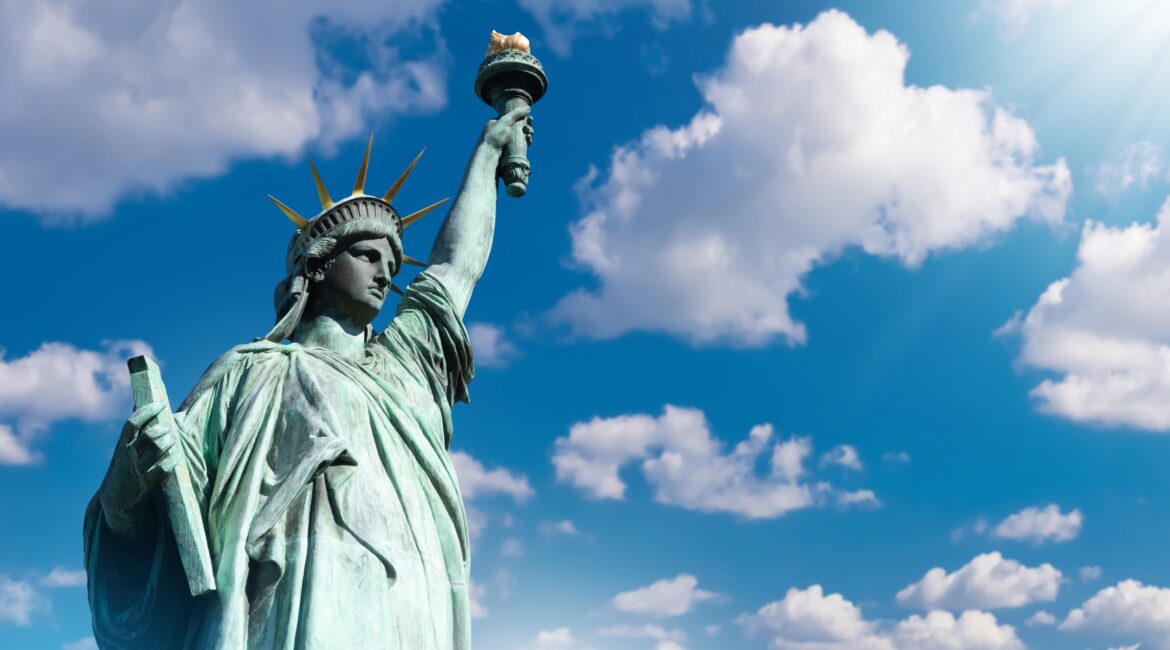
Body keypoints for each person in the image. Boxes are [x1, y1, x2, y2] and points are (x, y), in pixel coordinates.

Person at [84, 106, 534, 649]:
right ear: (317, 266)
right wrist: (129, 478)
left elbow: (454, 269)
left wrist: (487, 154)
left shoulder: (405, 368)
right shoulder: (248, 372)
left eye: (392, 261)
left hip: (410, 608)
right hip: (291, 606)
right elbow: (168, 515)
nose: (386, 270)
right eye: (367, 254)